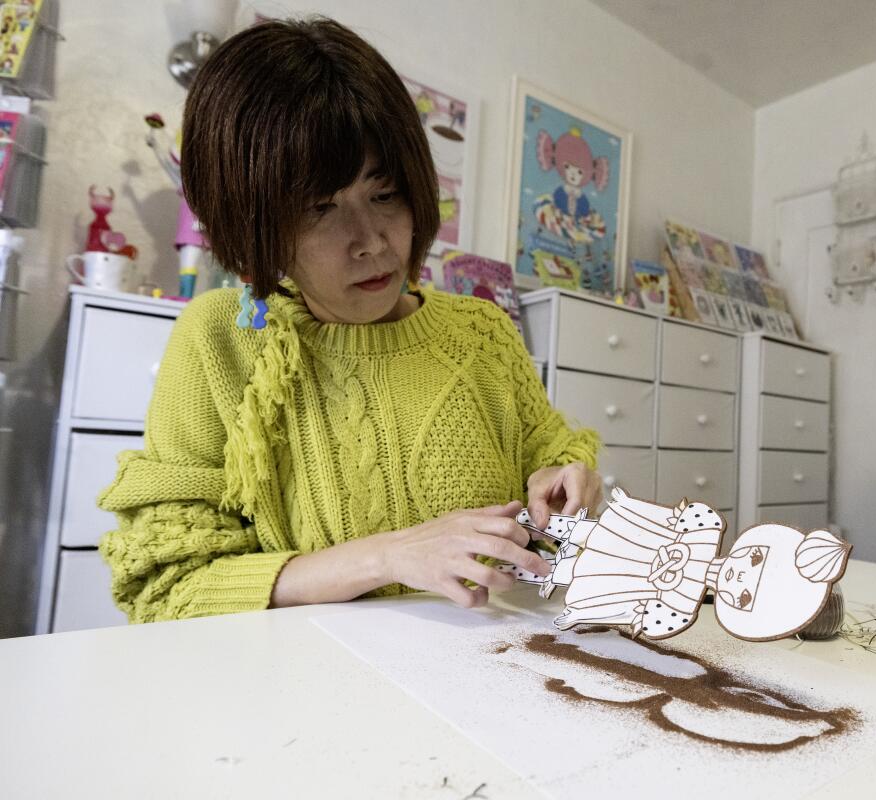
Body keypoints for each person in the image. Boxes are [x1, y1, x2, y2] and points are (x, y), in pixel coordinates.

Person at [97, 17, 601, 623]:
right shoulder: (218, 341)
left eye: (385, 194)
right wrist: (388, 557)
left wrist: (562, 485)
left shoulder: (482, 332)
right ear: (252, 220)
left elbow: (544, 462)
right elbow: (168, 587)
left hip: (487, 679)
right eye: (319, 208)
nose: (371, 242)